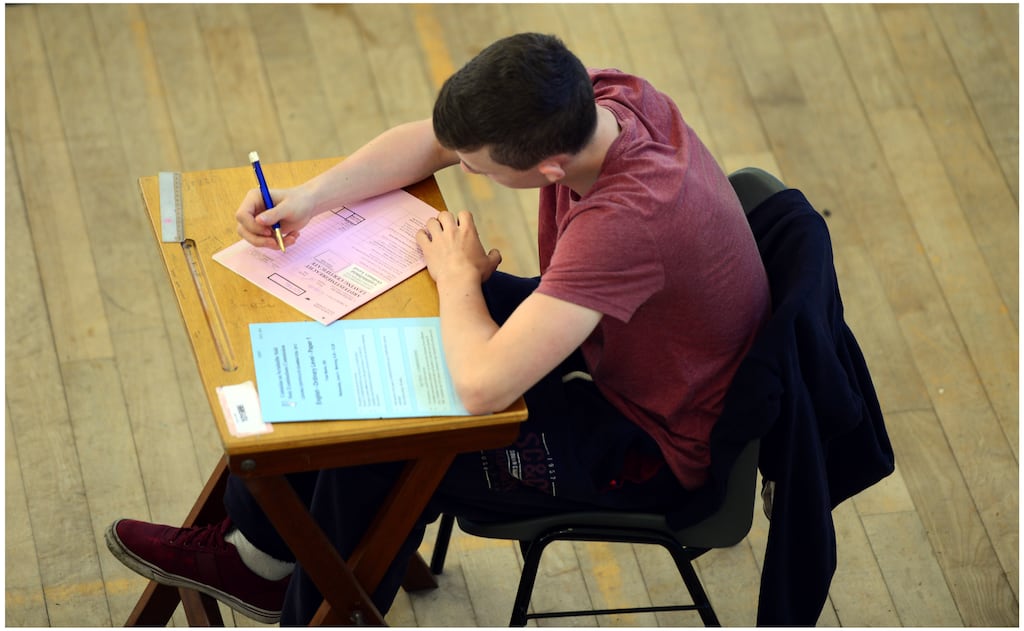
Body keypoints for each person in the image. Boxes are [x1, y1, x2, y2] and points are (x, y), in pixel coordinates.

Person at [106, 32, 770, 625]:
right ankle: (262, 550)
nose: (463, 168)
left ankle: (305, 595)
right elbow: (432, 141)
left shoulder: (626, 224)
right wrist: (306, 199)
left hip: (648, 441)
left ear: (548, 170)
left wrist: (459, 279)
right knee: (379, 327)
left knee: (381, 438)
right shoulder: (599, 99)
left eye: (478, 168)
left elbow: (482, 387)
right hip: (614, 347)